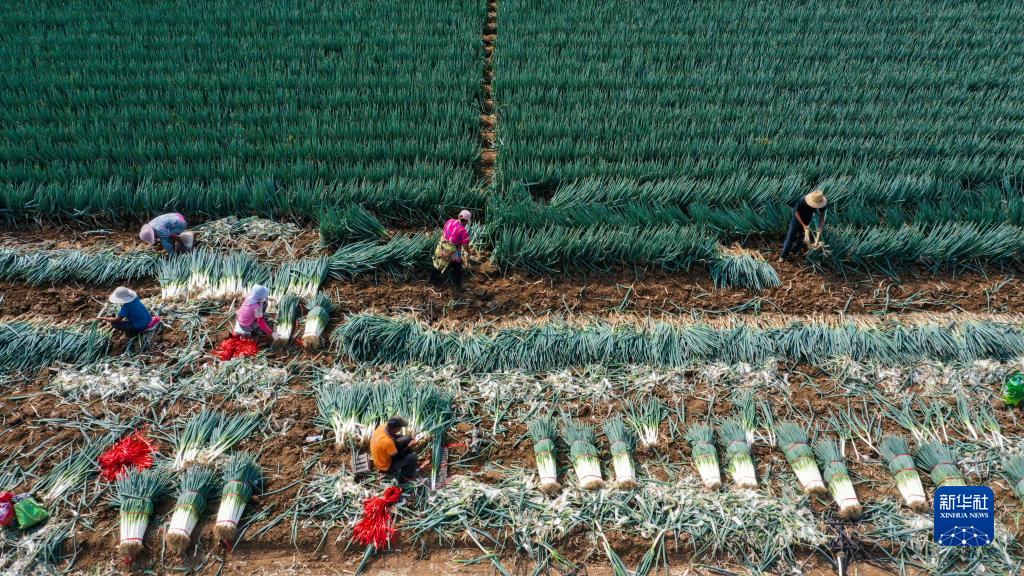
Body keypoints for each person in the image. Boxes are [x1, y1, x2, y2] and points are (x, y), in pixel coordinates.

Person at [779, 189, 828, 261]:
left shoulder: (822, 202)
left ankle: (794, 251)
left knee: (803, 237)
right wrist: (803, 225)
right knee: (790, 236)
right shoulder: (803, 200)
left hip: (808, 217)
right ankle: (783, 256)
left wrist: (820, 228)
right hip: (797, 218)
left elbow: (822, 216)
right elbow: (796, 213)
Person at [370, 417, 418, 482]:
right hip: (385, 466)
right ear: (396, 429)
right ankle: (406, 477)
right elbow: (397, 458)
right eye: (400, 428)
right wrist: (409, 446)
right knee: (413, 457)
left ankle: (407, 464)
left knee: (407, 438)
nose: (400, 429)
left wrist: (408, 437)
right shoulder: (388, 442)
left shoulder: (383, 427)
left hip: (381, 456)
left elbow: (394, 436)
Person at [431, 210, 472, 286]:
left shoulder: (450, 221)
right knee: (458, 267)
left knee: (439, 264)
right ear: (467, 221)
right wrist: (468, 252)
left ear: (459, 216)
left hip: (442, 247)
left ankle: (431, 280)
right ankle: (458, 285)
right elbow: (465, 245)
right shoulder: (463, 232)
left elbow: (444, 232)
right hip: (452, 251)